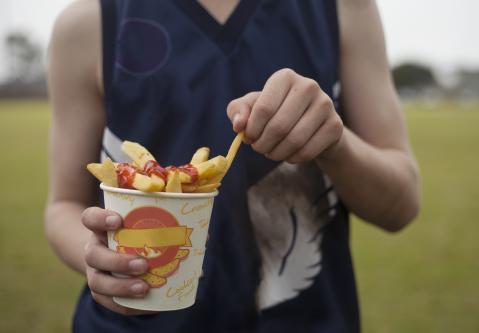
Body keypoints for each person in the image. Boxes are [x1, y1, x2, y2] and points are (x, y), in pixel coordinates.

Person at [45, 0, 420, 332]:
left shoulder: (343, 8)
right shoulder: (87, 22)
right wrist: (98, 259)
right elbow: (63, 204)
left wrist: (335, 144)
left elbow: (401, 205)